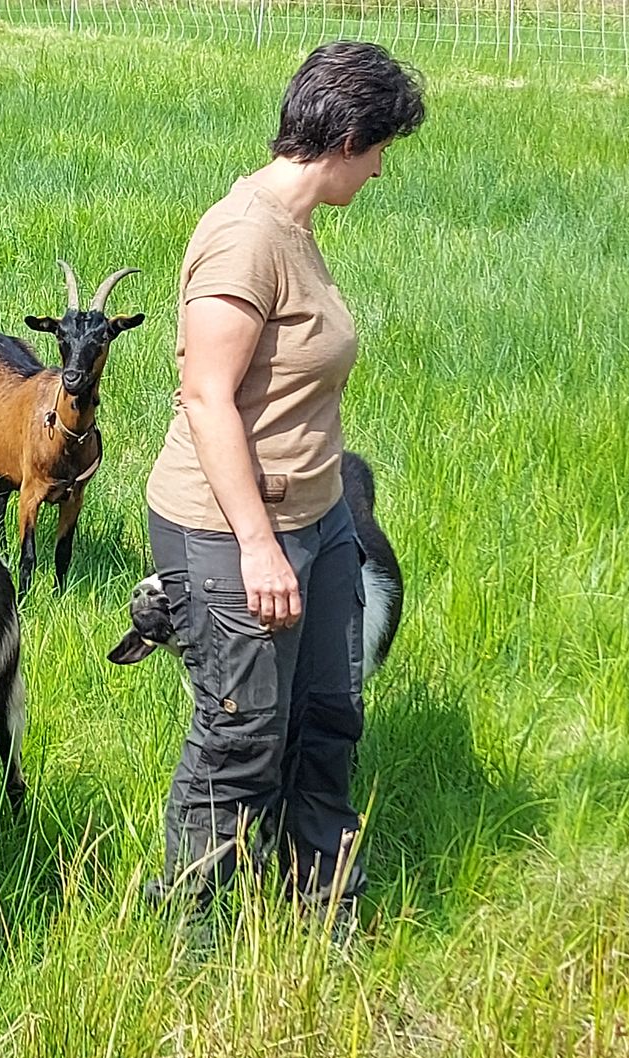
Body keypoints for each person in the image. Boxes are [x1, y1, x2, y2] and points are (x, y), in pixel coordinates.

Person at [140, 40, 424, 938]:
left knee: (330, 717)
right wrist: (260, 543)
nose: (382, 168)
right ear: (343, 136)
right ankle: (197, 937)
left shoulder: (294, 228)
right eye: (379, 148)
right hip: (232, 532)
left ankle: (322, 911)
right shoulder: (244, 236)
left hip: (321, 515)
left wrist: (318, 522)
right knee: (241, 739)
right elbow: (206, 395)